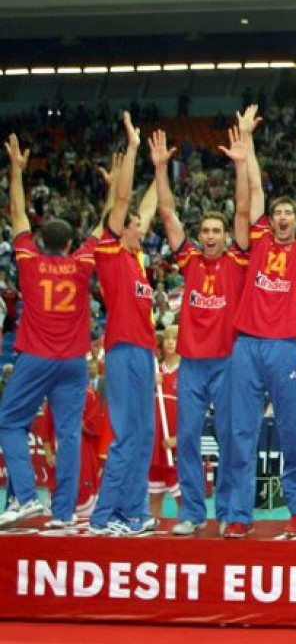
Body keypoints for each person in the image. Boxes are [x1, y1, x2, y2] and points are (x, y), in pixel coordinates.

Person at [222, 115, 296, 538]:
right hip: (247, 346)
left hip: (284, 347)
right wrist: (246, 146)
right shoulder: (258, 241)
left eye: (289, 213)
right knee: (240, 431)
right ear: (272, 220)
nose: (283, 217)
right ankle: (238, 514)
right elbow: (252, 193)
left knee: (293, 429)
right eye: (279, 213)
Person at [151, 118, 250, 536]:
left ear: (226, 235)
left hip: (227, 362)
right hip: (191, 364)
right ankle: (192, 512)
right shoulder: (189, 260)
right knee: (187, 438)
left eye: (216, 231)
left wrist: (241, 165)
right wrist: (160, 168)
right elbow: (167, 212)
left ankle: (226, 510)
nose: (210, 236)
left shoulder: (238, 261)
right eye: (205, 231)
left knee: (229, 439)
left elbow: (243, 209)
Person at [0, 134, 97, 529]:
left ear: (41, 241)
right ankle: (64, 512)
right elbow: (109, 220)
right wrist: (113, 190)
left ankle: (25, 497)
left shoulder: (28, 260)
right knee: (69, 434)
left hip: (37, 357)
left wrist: (17, 170)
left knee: (9, 422)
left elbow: (17, 213)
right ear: (71, 243)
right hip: (73, 362)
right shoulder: (82, 264)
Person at [89, 112, 161, 537]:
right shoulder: (111, 253)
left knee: (144, 434)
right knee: (126, 434)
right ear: (123, 229)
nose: (143, 227)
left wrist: (160, 170)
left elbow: (145, 206)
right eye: (137, 225)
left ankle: (132, 511)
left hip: (143, 352)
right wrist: (133, 149)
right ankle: (104, 516)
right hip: (121, 350)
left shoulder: (136, 259)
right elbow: (122, 203)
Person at [149, 326, 181, 520]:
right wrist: (149, 384)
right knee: (154, 494)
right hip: (156, 442)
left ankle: (187, 526)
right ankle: (154, 528)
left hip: (175, 440)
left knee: (181, 496)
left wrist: (179, 438)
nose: (170, 341)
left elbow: (193, 413)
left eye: (175, 338)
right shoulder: (154, 371)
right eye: (167, 338)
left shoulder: (186, 372)